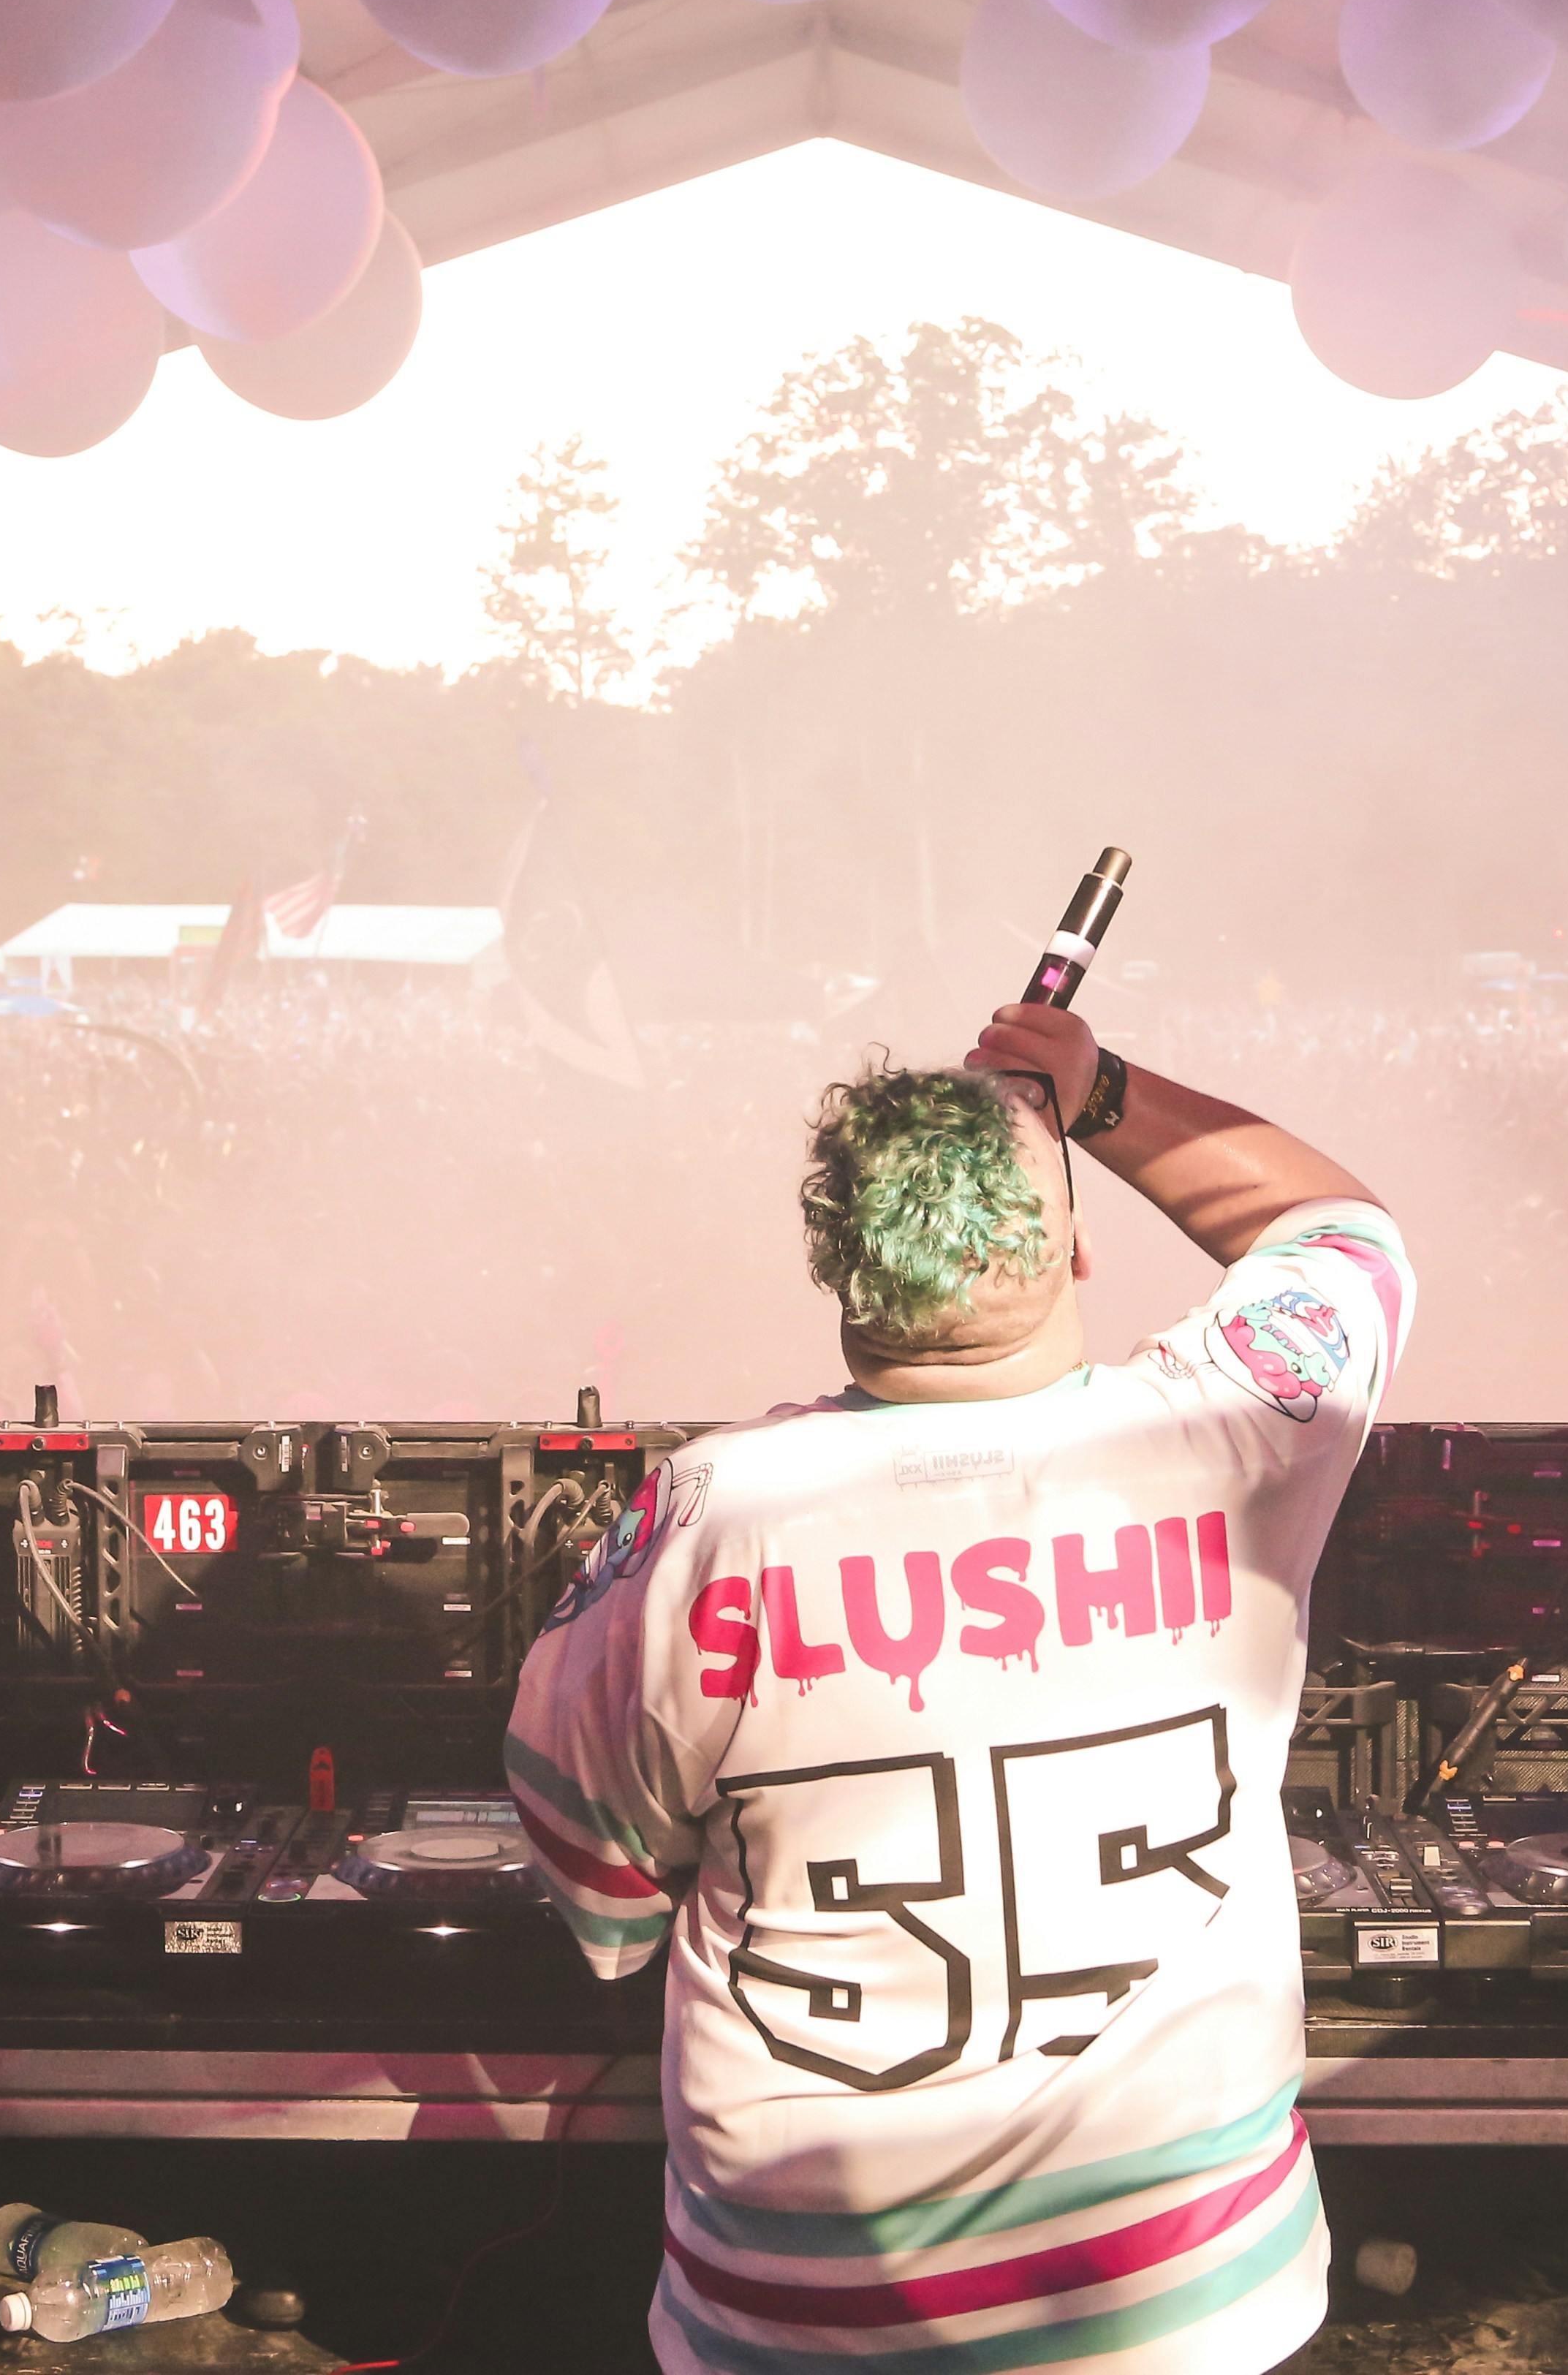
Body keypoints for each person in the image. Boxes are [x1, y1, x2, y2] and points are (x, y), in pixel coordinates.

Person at [507, 1005, 1408, 2375]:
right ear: (1078, 1243)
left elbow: (604, 1878)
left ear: (839, 1263)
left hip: (803, 2316)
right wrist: (1091, 1089)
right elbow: (1344, 1232)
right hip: (1183, 2298)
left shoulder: (705, 1516)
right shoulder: (1240, 1433)